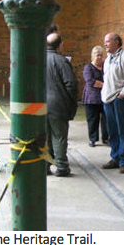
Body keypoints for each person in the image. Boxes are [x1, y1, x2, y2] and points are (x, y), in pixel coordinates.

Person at [101, 33, 124, 174]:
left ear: (116, 43)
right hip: (108, 100)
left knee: (123, 131)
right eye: (105, 41)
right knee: (112, 132)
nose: (105, 44)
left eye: (108, 41)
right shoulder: (107, 60)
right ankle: (115, 157)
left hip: (120, 101)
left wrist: (123, 94)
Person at [46, 33, 78, 177]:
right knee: (59, 136)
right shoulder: (61, 61)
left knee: (45, 136)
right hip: (58, 105)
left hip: (40, 105)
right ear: (59, 45)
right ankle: (62, 166)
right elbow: (70, 83)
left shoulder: (39, 59)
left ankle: (45, 165)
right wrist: (72, 101)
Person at [82, 45, 108, 147]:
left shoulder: (105, 66)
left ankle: (106, 138)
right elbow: (90, 81)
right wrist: (105, 85)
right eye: (97, 55)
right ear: (93, 56)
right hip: (91, 99)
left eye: (101, 55)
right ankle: (92, 139)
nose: (100, 57)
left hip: (105, 97)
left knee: (106, 119)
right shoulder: (88, 67)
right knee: (93, 119)